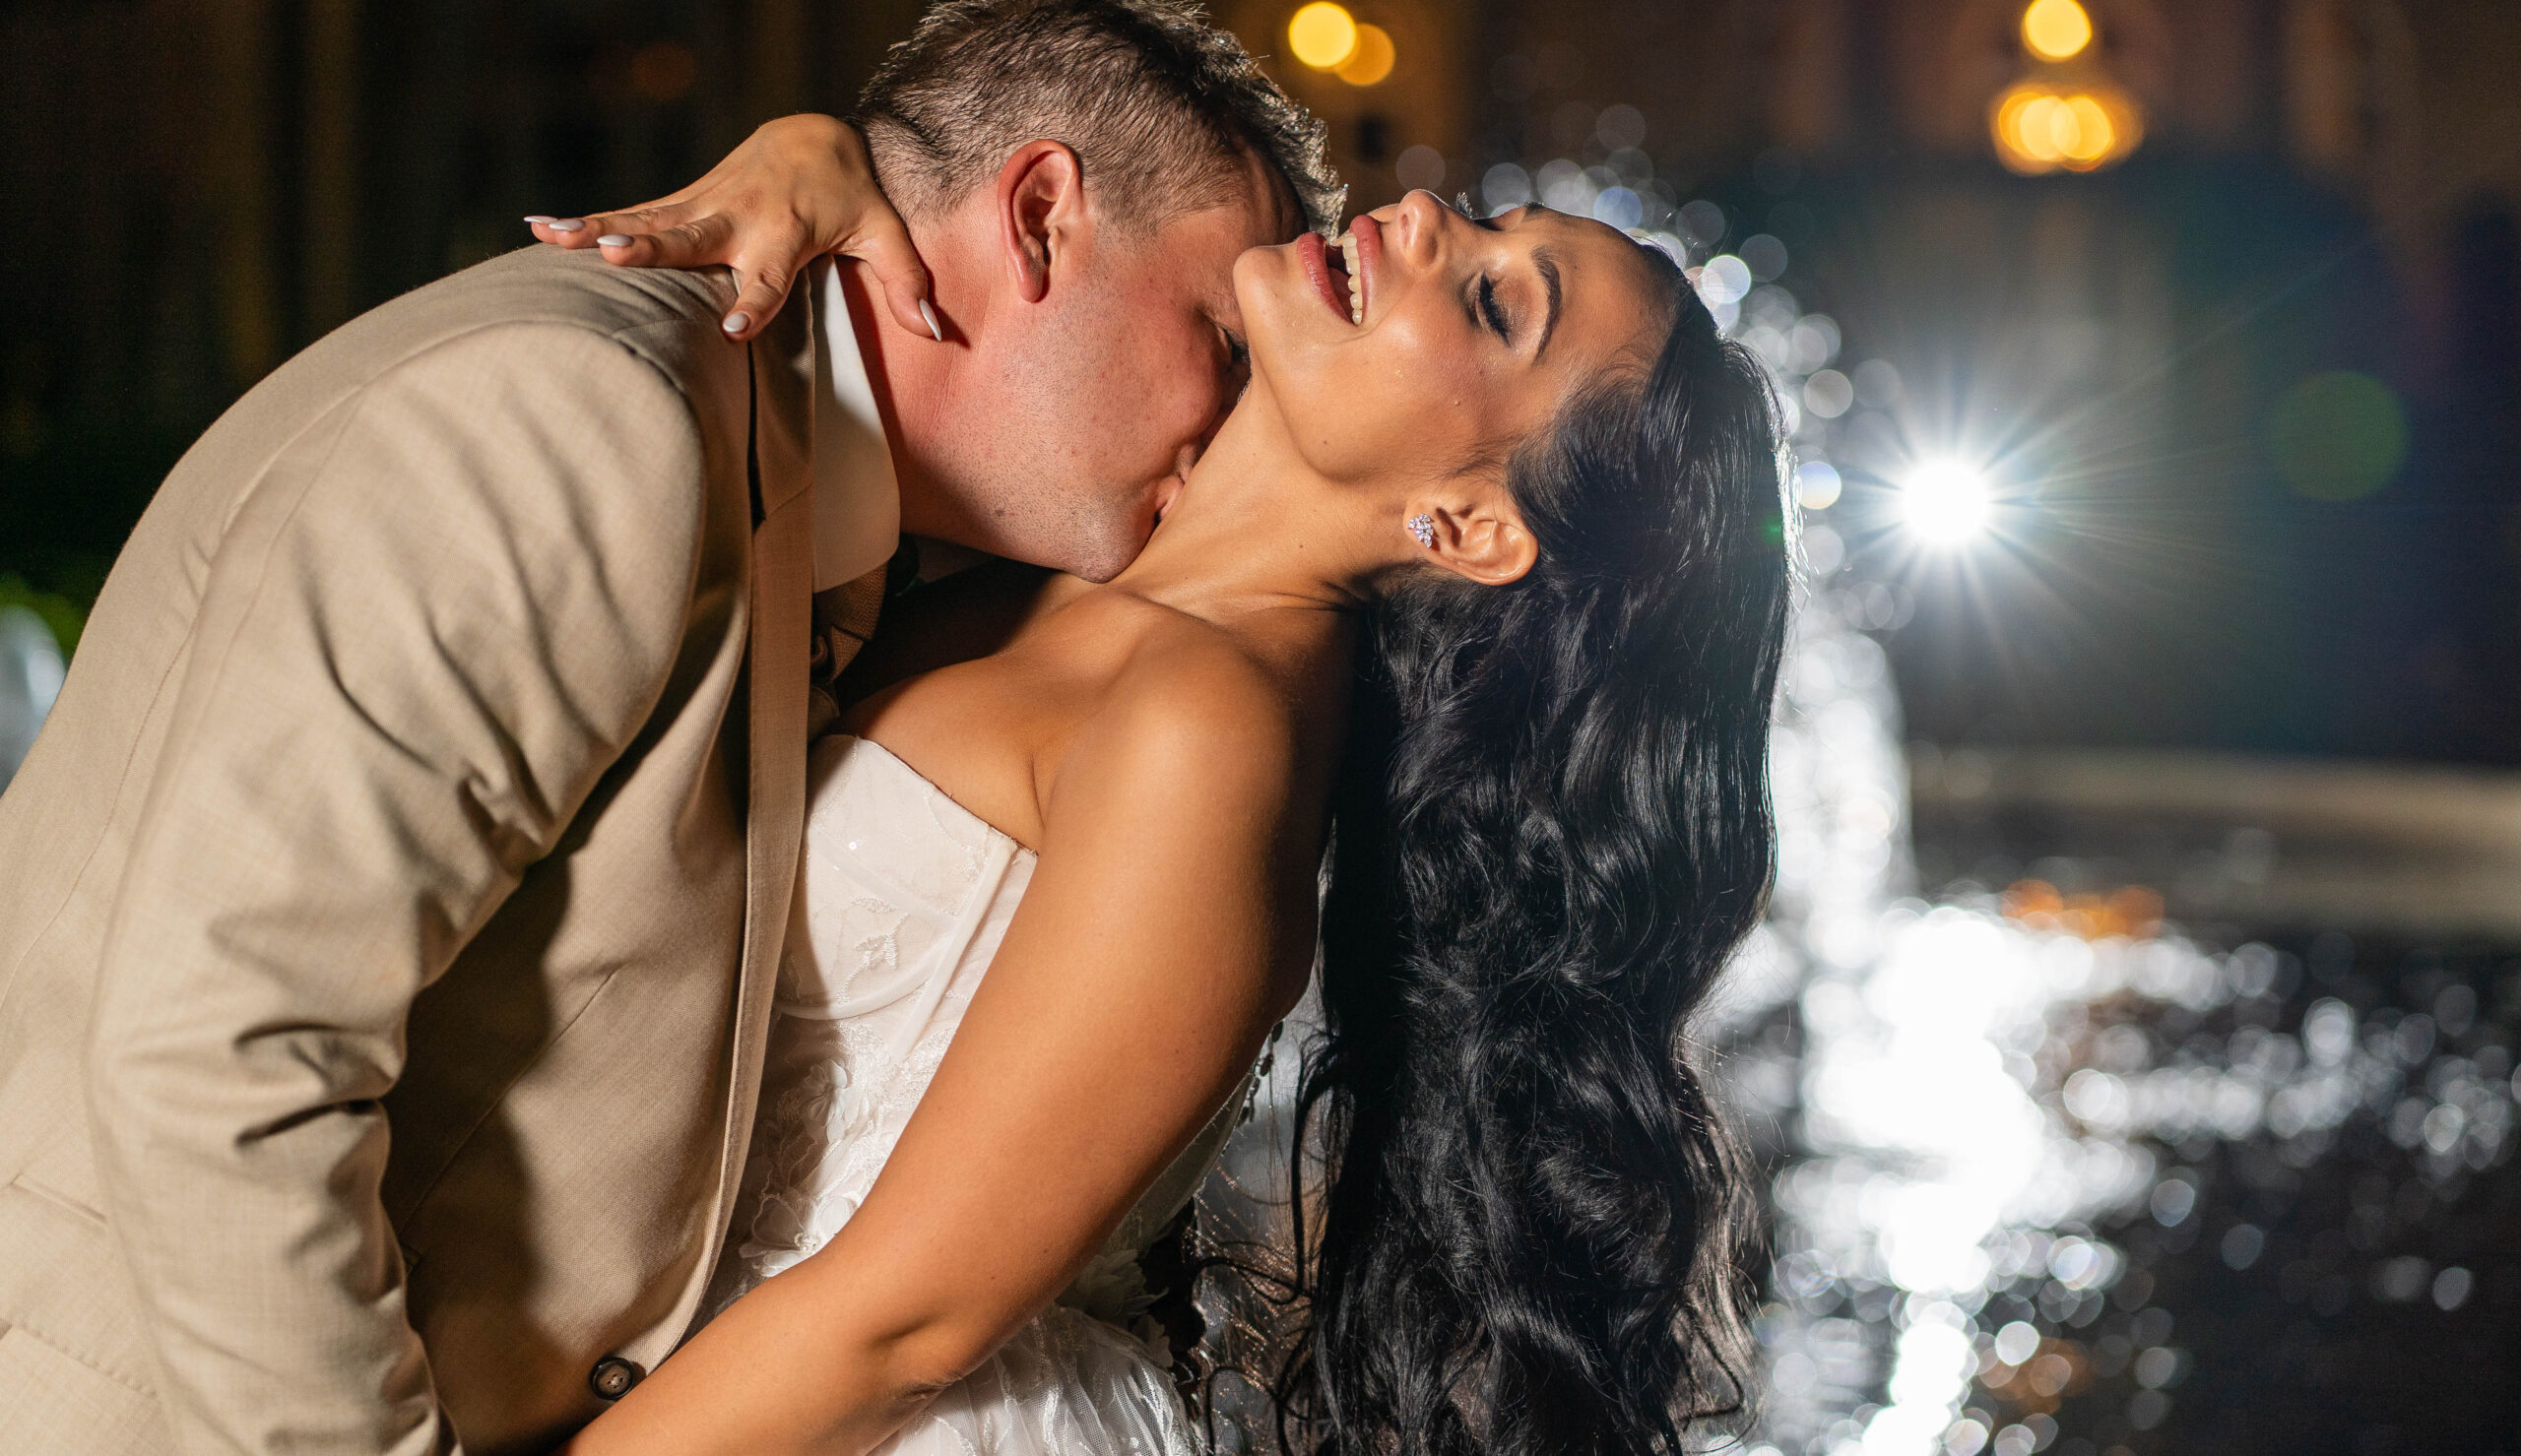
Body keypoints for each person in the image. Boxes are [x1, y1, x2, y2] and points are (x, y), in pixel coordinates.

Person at [0, 0, 1334, 1456]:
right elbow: (222, 1051)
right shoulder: (593, 417)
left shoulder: (842, 513)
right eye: (1219, 337)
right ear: (1038, 217)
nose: (1232, 414)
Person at [538, 135, 1792, 1453]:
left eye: (1491, 304)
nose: (1425, 216)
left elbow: (904, 1325)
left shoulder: (1215, 726)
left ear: (1472, 526)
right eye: (1485, 225)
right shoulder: (1083, 560)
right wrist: (828, 160)